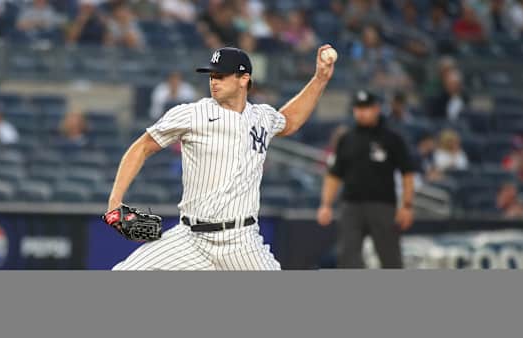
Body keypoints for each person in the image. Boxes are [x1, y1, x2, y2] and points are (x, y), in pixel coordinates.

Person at [107, 45, 335, 270]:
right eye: (211, 75)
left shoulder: (262, 117)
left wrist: (319, 79)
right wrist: (115, 202)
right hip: (190, 239)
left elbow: (290, 120)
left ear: (244, 78)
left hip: (242, 242)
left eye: (221, 76)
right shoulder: (192, 114)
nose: (214, 81)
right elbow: (142, 147)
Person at [316, 90, 415, 268]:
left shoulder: (391, 138)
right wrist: (326, 204)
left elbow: (407, 173)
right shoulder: (346, 139)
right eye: (358, 108)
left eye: (366, 108)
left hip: (383, 206)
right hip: (351, 207)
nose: (362, 112)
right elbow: (334, 174)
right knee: (347, 258)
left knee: (391, 259)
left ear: (376, 109)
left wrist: (407, 205)